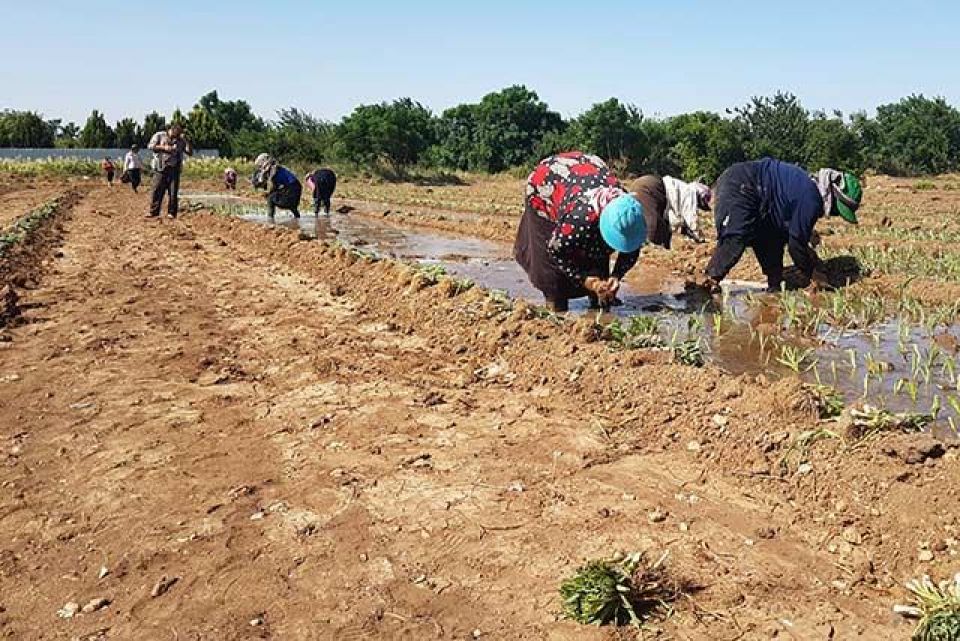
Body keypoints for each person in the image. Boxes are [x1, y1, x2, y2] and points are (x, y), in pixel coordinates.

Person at [513, 152, 671, 312]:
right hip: (548, 181)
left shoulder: (630, 211)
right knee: (553, 277)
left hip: (589, 171)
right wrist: (584, 279)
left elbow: (630, 249)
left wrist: (616, 276)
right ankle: (557, 309)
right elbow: (556, 251)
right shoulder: (578, 219)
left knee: (598, 256)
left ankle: (598, 300)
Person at [696, 158, 863, 293]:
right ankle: (708, 281)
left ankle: (774, 284)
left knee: (772, 239)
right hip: (742, 185)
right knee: (736, 237)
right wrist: (813, 273)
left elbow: (788, 234)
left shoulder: (808, 191)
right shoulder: (811, 198)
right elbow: (796, 244)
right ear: (833, 195)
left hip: (763, 203)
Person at [147, 123, 193, 219]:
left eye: (180, 133)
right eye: (178, 132)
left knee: (173, 192)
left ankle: (171, 213)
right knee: (157, 191)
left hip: (174, 169)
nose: (178, 135)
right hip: (161, 168)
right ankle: (154, 212)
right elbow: (150, 146)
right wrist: (163, 148)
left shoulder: (181, 141)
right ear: (172, 130)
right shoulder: (159, 135)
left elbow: (189, 152)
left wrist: (187, 141)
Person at [662, 175, 712, 243]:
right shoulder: (691, 193)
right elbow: (691, 218)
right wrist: (700, 236)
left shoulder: (683, 190)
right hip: (663, 190)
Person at [252, 154, 302, 219]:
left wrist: (268, 193)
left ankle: (270, 219)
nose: (260, 167)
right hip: (295, 187)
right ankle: (297, 217)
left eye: (260, 165)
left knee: (270, 198)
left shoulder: (273, 169)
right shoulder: (276, 168)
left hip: (292, 188)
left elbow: (273, 185)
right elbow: (275, 186)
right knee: (290, 205)